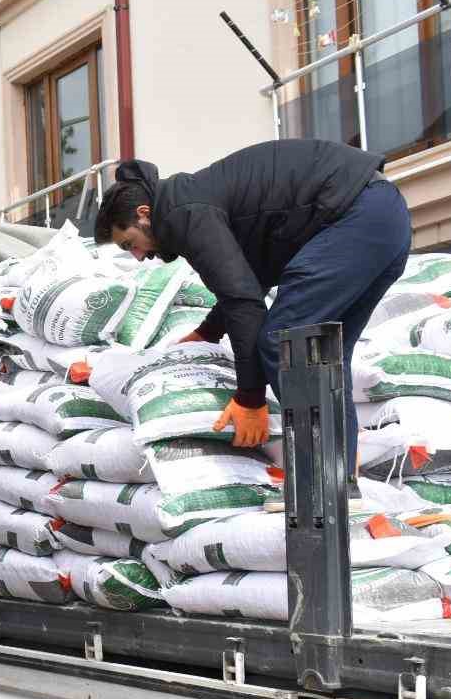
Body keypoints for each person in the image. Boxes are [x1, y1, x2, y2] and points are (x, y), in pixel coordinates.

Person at [94, 139, 411, 477]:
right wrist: (208, 332)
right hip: (383, 218)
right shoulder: (191, 201)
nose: (138, 256)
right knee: (325, 358)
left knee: (283, 340)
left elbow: (244, 303)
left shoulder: (182, 212)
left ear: (144, 214)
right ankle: (338, 483)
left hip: (356, 215)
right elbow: (247, 280)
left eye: (130, 243)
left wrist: (250, 398)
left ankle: (318, 482)